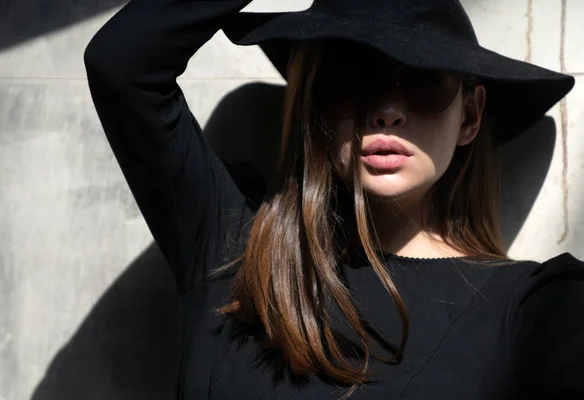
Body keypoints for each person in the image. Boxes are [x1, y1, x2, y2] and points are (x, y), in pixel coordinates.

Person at [83, 0, 584, 398]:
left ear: (471, 117)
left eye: (423, 83)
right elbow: (123, 64)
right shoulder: (234, 243)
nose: (387, 111)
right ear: (315, 100)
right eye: (353, 78)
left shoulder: (538, 308)